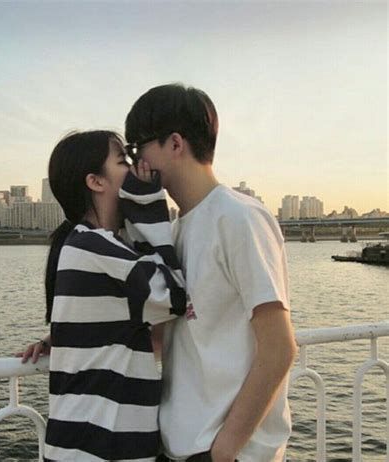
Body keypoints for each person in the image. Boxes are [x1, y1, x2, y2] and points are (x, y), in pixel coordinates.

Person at [123, 84, 297, 462]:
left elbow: (279, 347)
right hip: (179, 444)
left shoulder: (239, 217)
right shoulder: (174, 232)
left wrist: (225, 450)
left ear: (174, 143)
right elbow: (161, 338)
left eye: (137, 148)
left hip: (224, 451)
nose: (135, 164)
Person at [18, 130, 187, 462]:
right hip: (100, 449)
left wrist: (60, 338)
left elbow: (109, 320)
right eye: (123, 161)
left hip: (83, 446)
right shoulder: (97, 247)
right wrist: (149, 205)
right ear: (96, 182)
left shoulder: (85, 244)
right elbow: (175, 296)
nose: (136, 168)